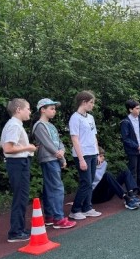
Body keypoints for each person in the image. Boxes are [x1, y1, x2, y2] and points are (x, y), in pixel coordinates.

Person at [32, 98, 76, 229]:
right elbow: (48, 144)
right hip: (49, 159)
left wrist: (62, 152)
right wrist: (60, 157)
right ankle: (59, 218)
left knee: (50, 187)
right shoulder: (39, 125)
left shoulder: (51, 125)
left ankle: (51, 216)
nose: (54, 111)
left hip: (54, 158)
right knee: (57, 188)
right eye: (51, 108)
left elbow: (58, 142)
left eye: (55, 108)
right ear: (42, 110)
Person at [0, 98, 37, 242]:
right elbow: (8, 148)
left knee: (21, 196)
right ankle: (15, 232)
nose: (29, 111)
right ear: (18, 110)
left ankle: (19, 229)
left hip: (18, 162)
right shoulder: (14, 125)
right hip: (18, 163)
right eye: (28, 108)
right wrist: (29, 148)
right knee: (20, 197)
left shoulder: (14, 125)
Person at [69, 90, 102, 220]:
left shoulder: (90, 117)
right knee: (86, 182)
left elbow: (94, 136)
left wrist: (98, 153)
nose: (92, 105)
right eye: (91, 102)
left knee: (91, 181)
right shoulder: (75, 118)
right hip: (82, 155)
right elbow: (75, 139)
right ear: (83, 102)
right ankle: (75, 209)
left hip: (93, 153)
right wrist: (81, 159)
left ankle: (87, 207)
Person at [120, 99, 140, 195]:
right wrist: (137, 146)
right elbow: (126, 138)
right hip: (133, 150)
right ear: (130, 110)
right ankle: (133, 190)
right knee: (133, 170)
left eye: (139, 108)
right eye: (137, 108)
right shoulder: (125, 122)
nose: (139, 110)